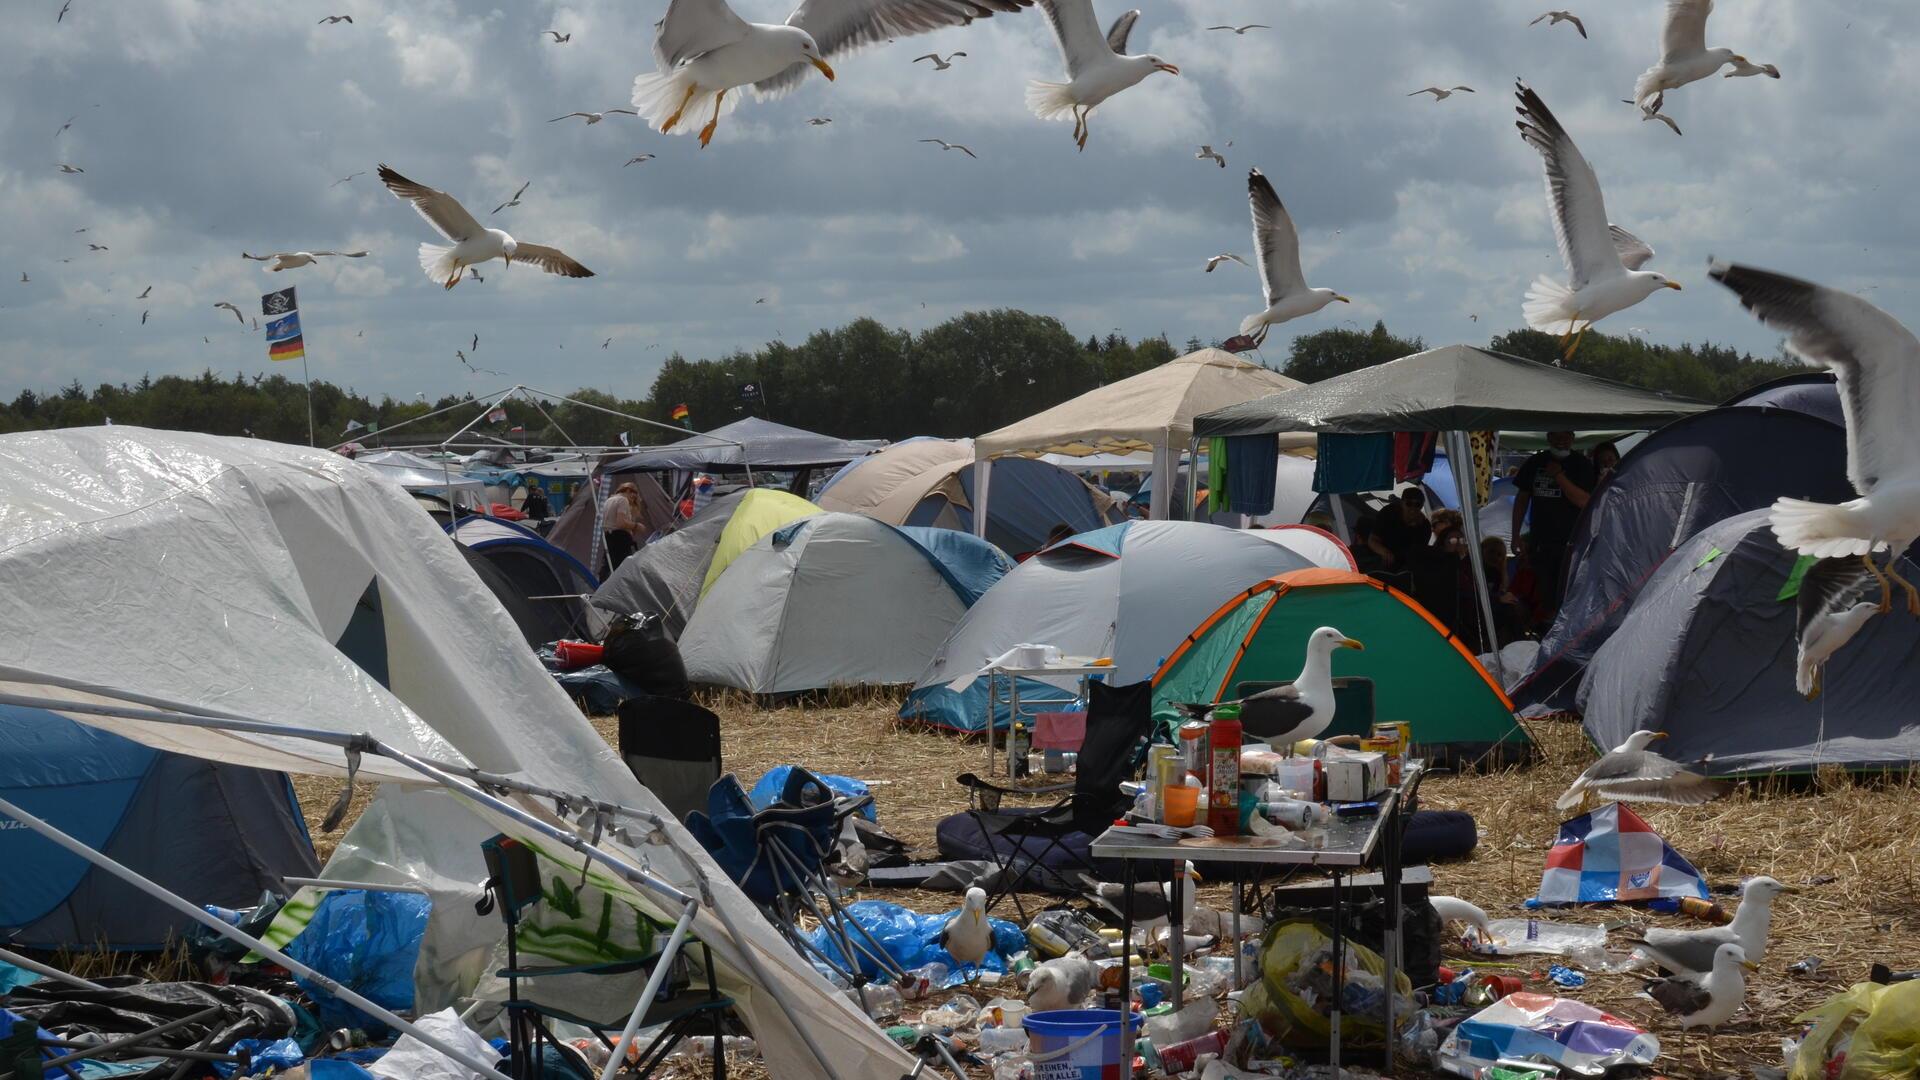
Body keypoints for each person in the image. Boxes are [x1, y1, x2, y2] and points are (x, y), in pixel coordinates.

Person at [1512, 432, 1596, 616]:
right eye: (1556, 436)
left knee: (1570, 593)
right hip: (1540, 542)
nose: (1561, 441)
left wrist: (1559, 476)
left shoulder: (1581, 464)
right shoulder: (1535, 462)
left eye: (1565, 437)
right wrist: (1515, 535)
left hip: (1573, 542)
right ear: (1549, 438)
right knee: (1544, 593)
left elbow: (1584, 501)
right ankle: (1544, 629)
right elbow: (1521, 499)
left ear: (1572, 438)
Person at [1367, 488, 1431, 573]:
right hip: (1382, 559)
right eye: (1409, 503)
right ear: (1402, 503)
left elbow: (1420, 553)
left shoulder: (1424, 526)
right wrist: (1384, 552)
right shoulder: (1388, 513)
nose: (1413, 508)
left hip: (1407, 566)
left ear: (1422, 506)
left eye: (1417, 505)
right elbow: (1372, 540)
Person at [603, 482, 645, 571]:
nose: (632, 499)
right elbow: (620, 523)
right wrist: (636, 526)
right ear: (628, 490)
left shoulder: (609, 500)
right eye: (633, 496)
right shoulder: (623, 500)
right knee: (623, 568)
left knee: (609, 567)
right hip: (620, 539)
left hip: (608, 538)